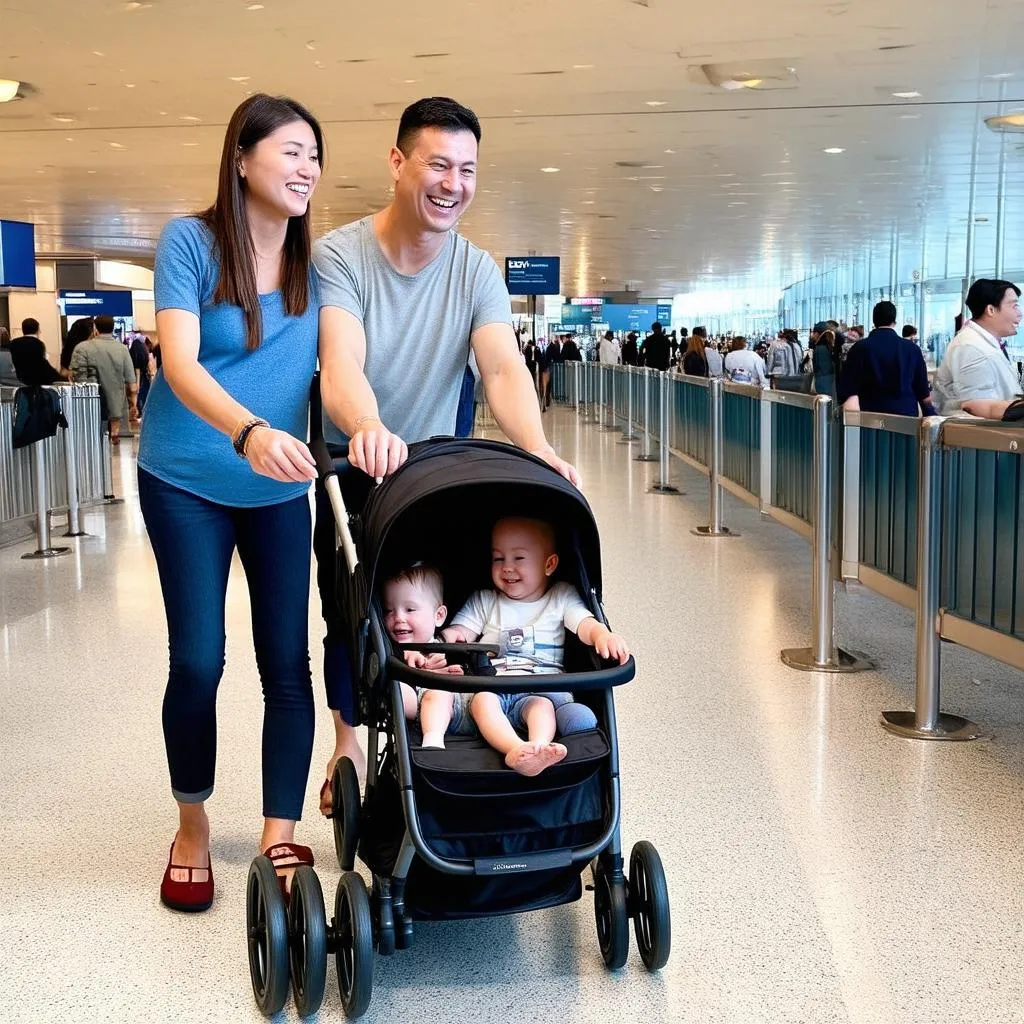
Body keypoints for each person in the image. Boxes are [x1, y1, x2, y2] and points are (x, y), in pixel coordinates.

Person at [312, 96, 579, 810]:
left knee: (438, 612)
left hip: (434, 473)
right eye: (438, 164)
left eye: (467, 170)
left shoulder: (476, 270)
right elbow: (341, 361)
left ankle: (447, 725)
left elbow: (500, 367)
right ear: (398, 163)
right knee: (353, 616)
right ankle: (346, 737)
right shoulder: (341, 256)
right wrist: (366, 422)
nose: (453, 183)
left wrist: (538, 447)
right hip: (357, 467)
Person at [137, 93, 325, 912]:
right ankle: (192, 822)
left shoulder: (322, 268)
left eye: (314, 154)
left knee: (287, 662)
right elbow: (179, 362)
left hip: (278, 487)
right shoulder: (191, 241)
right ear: (242, 159)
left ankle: (279, 830)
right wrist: (247, 430)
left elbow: (343, 366)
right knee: (200, 659)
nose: (305, 166)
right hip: (186, 476)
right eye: (289, 151)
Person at [442, 517, 628, 776]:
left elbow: (584, 623)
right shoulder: (485, 601)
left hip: (543, 688)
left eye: (518, 558)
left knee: (545, 709)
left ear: (549, 564)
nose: (506, 567)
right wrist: (445, 639)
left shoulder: (561, 597)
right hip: (496, 686)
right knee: (482, 702)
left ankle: (539, 747)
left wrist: (602, 635)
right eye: (498, 558)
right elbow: (460, 633)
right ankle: (515, 749)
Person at [382, 565, 469, 750]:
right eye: (389, 610)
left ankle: (433, 742)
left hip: (454, 709)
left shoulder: (445, 646)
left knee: (438, 694)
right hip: (414, 704)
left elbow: (464, 669)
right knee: (392, 686)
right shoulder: (392, 650)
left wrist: (451, 670)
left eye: (410, 609)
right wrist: (406, 664)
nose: (398, 617)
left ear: (438, 616)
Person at [932, 279, 1022, 413]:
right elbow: (978, 409)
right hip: (984, 432)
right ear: (991, 310)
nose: (1020, 313)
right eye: (1014, 306)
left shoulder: (986, 343)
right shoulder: (971, 348)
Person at [838, 301, 935, 416]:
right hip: (906, 418)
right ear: (894, 322)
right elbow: (923, 392)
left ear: (874, 321)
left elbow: (848, 389)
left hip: (868, 418)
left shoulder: (859, 348)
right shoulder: (912, 349)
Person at [70, 314, 138, 442]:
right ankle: (114, 436)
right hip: (116, 403)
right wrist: (133, 404)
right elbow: (132, 383)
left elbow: (75, 375)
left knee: (92, 435)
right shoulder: (122, 349)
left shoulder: (82, 348)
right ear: (113, 328)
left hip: (89, 400)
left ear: (95, 328)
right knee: (114, 428)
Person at [9, 318, 61, 386]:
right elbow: (43, 364)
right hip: (37, 380)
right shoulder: (38, 344)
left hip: (19, 378)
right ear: (37, 330)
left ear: (23, 329)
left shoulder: (14, 343)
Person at [811, 327, 841, 397]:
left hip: (823, 380)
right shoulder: (829, 348)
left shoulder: (820, 348)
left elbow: (822, 367)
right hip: (830, 379)